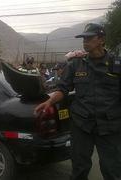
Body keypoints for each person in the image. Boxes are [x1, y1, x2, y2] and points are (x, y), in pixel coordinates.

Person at [35, 23, 121, 180]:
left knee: (112, 169)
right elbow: (63, 88)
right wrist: (50, 101)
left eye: (89, 38)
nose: (85, 41)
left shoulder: (117, 65)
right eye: (83, 38)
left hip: (110, 127)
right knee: (79, 168)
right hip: (82, 125)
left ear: (101, 39)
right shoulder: (75, 64)